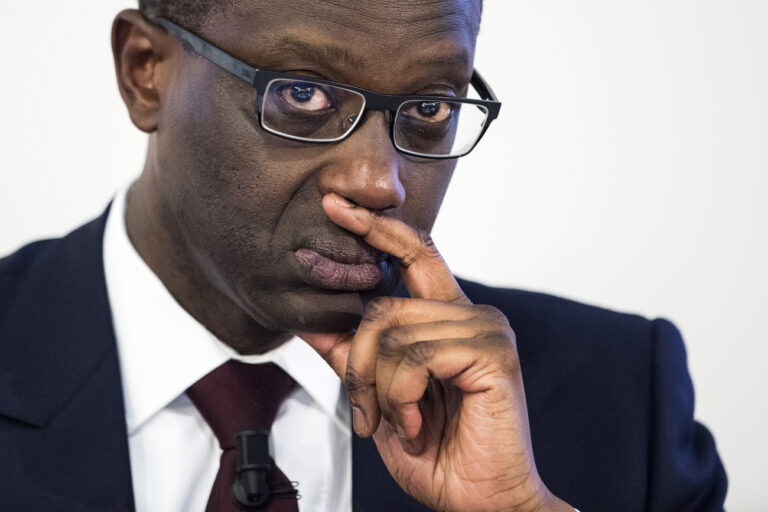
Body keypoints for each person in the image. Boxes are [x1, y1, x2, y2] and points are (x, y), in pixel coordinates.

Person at [0, 1, 727, 511]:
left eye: (430, 109)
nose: (381, 181)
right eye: (304, 94)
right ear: (144, 70)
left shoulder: (623, 399)